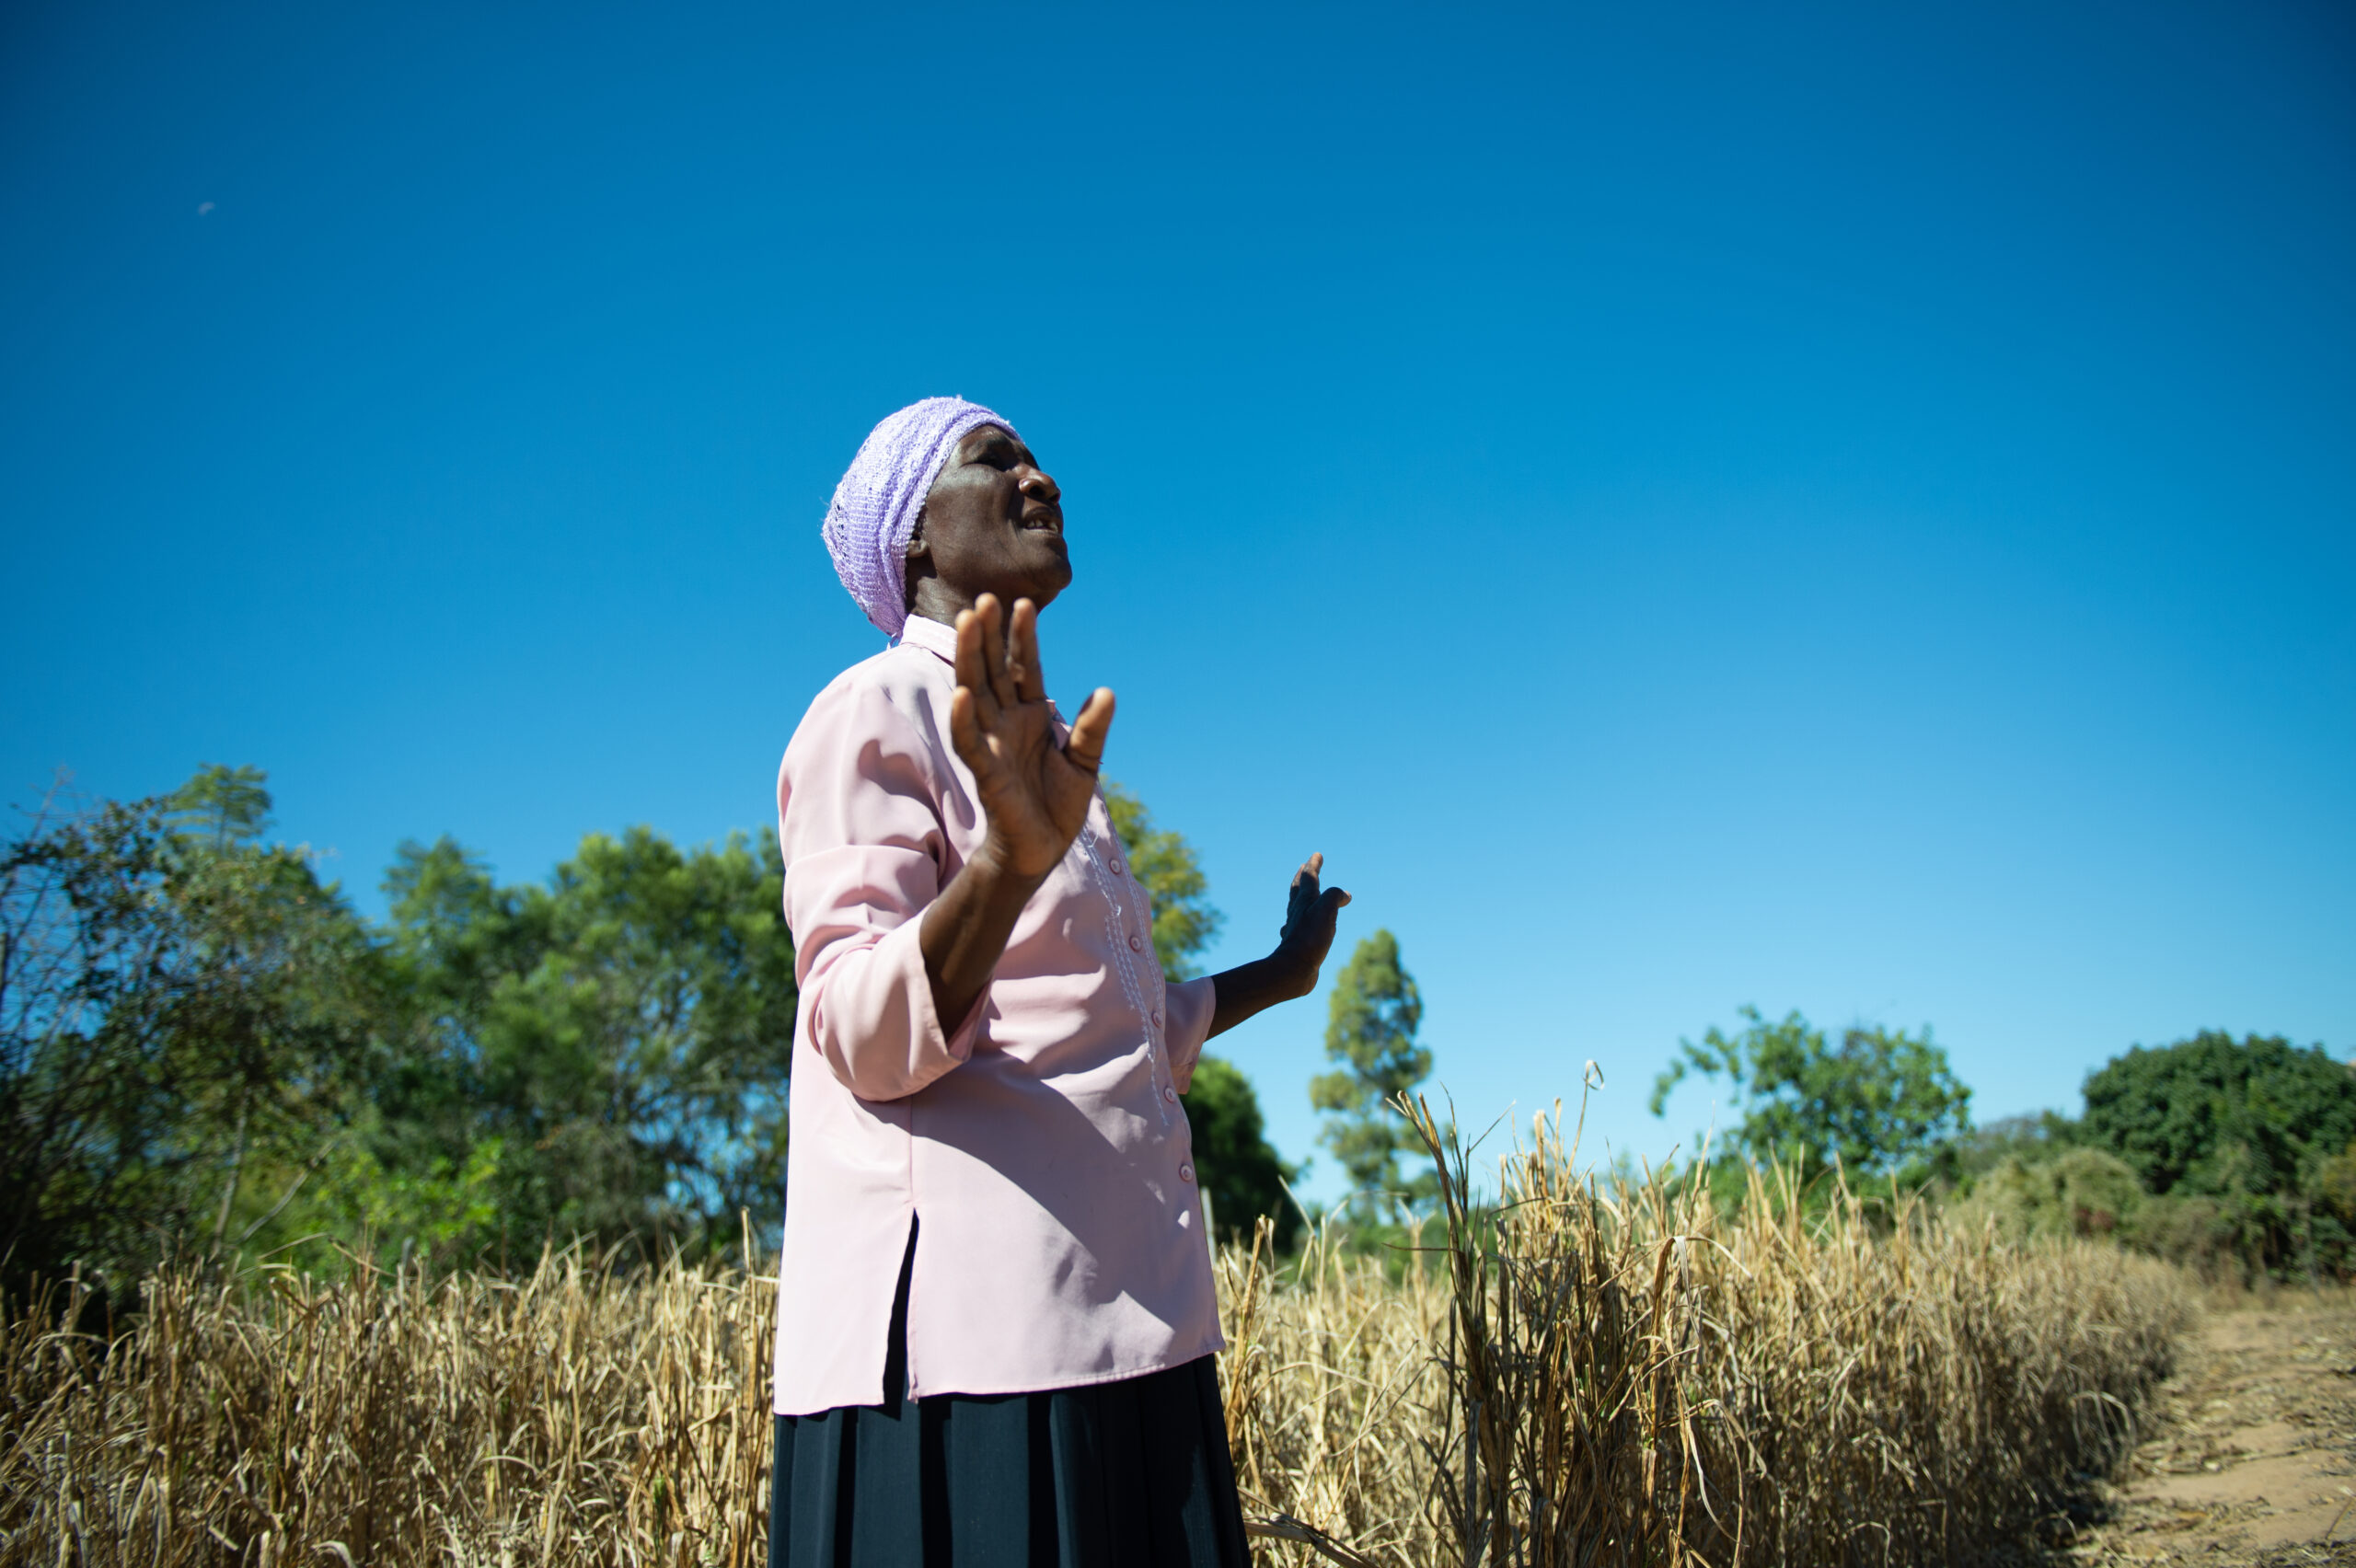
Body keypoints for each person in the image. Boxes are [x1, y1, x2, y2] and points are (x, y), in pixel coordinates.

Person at [768, 397, 1350, 1567]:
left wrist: (1278, 977)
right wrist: (1002, 862)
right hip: (977, 1364)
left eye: (1038, 457)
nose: (1041, 478)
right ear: (915, 540)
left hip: (1138, 1329)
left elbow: (1121, 1030)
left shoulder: (1034, 750)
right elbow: (860, 1031)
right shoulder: (872, 709)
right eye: (997, 461)